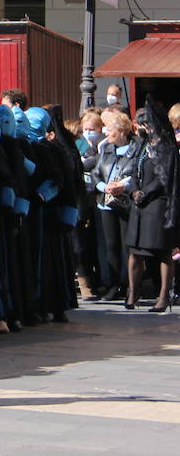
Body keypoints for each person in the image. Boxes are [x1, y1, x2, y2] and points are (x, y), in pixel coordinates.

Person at [123, 102, 176, 312]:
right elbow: (134, 170)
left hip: (157, 204)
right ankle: (132, 292)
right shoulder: (143, 146)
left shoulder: (167, 146)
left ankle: (163, 296)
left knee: (162, 252)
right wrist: (134, 189)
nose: (146, 128)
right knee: (135, 251)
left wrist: (147, 192)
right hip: (139, 204)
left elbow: (166, 175)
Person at [89, 109, 138, 303]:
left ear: (122, 131)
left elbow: (136, 174)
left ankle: (129, 285)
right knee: (110, 245)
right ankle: (113, 284)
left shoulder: (135, 150)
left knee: (127, 246)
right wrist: (104, 187)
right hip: (106, 204)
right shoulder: (106, 150)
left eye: (110, 129)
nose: (106, 133)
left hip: (124, 204)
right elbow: (95, 174)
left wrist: (122, 186)